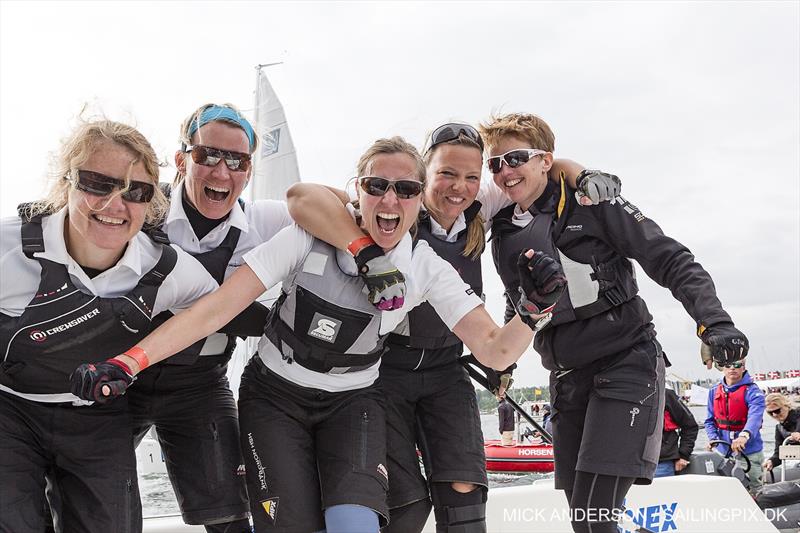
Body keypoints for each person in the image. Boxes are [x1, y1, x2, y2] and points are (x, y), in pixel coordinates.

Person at [70, 136, 567, 533]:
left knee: (353, 524)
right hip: (275, 400)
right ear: (356, 190)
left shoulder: (426, 267)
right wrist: (128, 361)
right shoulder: (306, 237)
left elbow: (495, 349)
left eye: (407, 190)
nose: (390, 200)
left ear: (420, 199)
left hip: (352, 404)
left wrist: (534, 309)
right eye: (377, 186)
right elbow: (214, 310)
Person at [284, 122, 619, 533]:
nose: (458, 188)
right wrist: (364, 249)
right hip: (385, 371)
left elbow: (546, 168)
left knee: (464, 500)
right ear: (424, 174)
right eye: (445, 174)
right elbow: (305, 197)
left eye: (471, 177)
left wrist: (582, 174)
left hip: (447, 370)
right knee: (405, 504)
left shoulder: (480, 205)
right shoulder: (396, 206)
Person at [480, 112, 749, 533]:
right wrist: (505, 363)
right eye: (495, 164)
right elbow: (518, 301)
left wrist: (714, 322)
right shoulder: (503, 228)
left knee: (595, 519)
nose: (505, 171)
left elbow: (668, 257)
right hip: (567, 379)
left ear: (545, 160)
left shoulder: (592, 200)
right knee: (584, 520)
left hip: (625, 365)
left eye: (515, 158)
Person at [0, 118, 220, 533]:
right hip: (10, 411)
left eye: (136, 193)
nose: (115, 205)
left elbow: (214, 308)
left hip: (96, 418)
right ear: (66, 182)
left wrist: (135, 361)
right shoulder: (9, 249)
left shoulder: (164, 269)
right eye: (97, 184)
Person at [125, 103, 297, 533]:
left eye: (236, 160)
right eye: (208, 156)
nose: (222, 171)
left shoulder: (265, 221)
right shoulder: (140, 208)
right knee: (94, 507)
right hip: (119, 380)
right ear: (182, 159)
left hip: (199, 386)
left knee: (231, 516)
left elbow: (339, 205)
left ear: (250, 171)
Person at [704, 359, 765, 495]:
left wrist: (744, 435)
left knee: (755, 491)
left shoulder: (754, 392)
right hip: (722, 452)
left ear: (743, 368)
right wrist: (713, 438)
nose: (733, 368)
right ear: (722, 368)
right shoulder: (714, 392)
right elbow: (709, 421)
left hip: (749, 452)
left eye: (737, 365)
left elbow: (755, 417)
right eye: (728, 365)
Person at [654, 386, 698, 477]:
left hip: (662, 464)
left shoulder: (667, 395)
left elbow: (690, 426)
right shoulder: (625, 395)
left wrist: (683, 455)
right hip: (627, 466)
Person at [763, 392, 800, 474]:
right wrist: (771, 461)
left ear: (786, 406)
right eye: (770, 413)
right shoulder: (779, 428)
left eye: (777, 411)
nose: (774, 415)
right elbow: (778, 454)